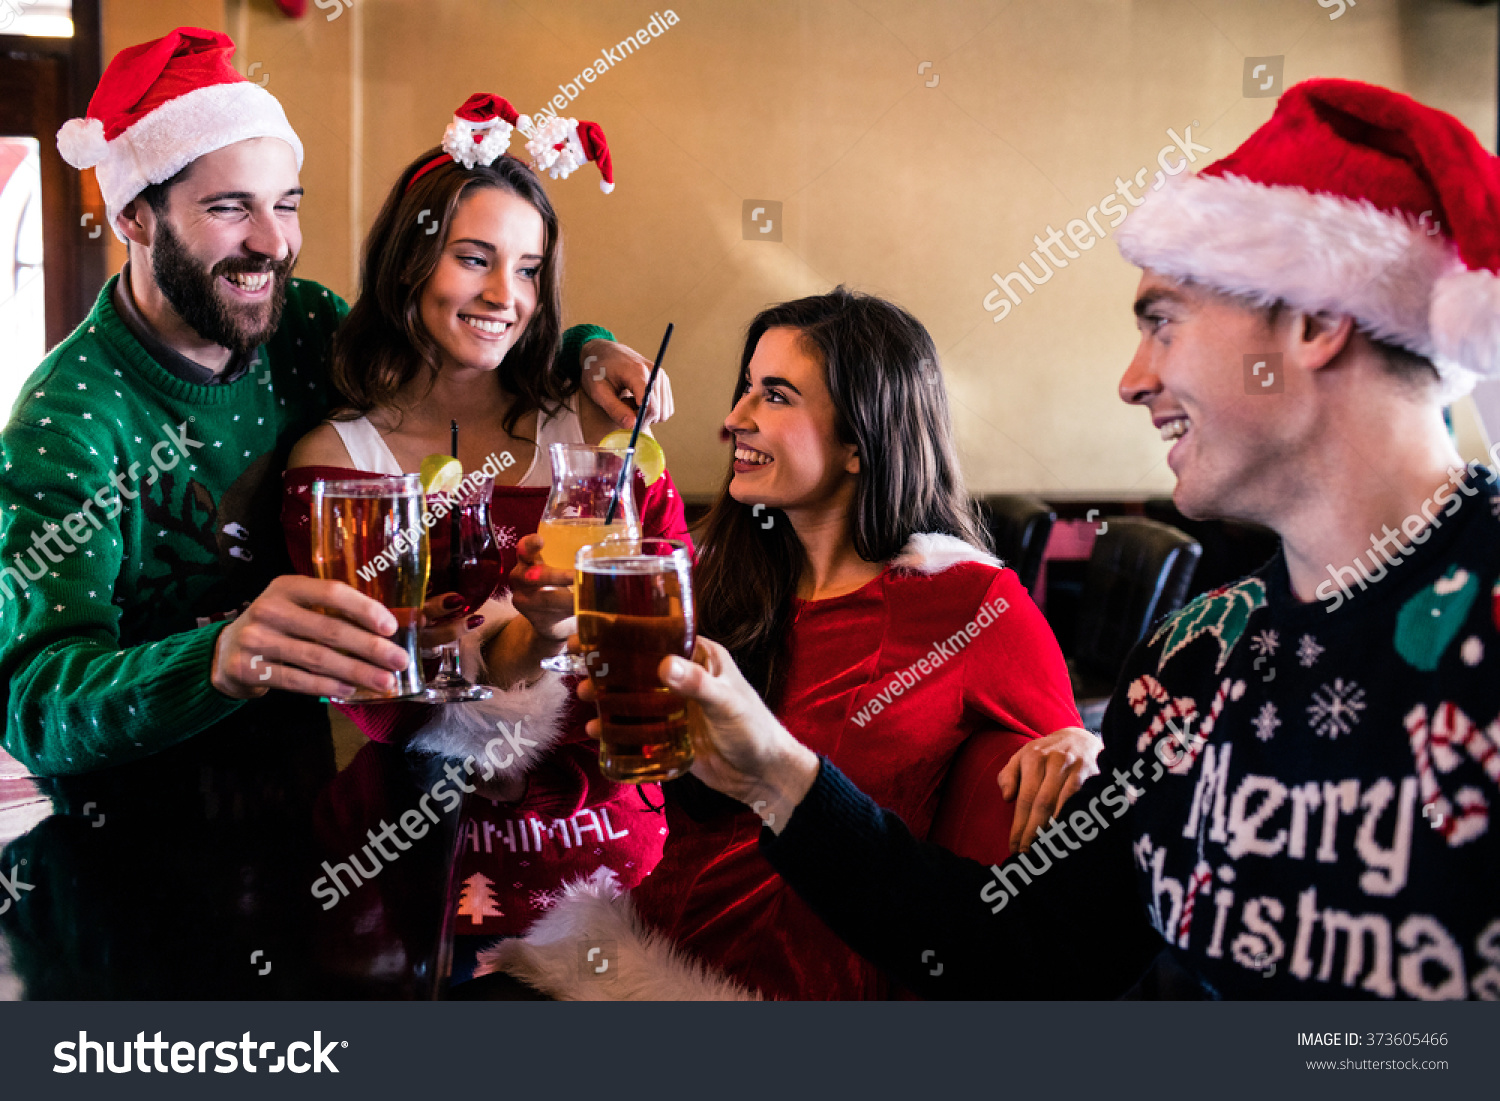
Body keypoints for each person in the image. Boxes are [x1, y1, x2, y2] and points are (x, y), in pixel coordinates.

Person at [610, 80, 1500, 1000]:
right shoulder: (1191, 659)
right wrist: (775, 773)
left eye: (1162, 322)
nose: (1132, 379)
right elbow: (1027, 951)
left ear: (1316, 321)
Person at [0, 30, 665, 776]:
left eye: (286, 205)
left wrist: (585, 350)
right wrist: (220, 657)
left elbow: (456, 349)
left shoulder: (305, 322)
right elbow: (32, 703)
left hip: (304, 797)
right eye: (230, 208)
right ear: (133, 216)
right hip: (131, 822)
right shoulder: (65, 423)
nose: (273, 243)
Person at [489, 289, 1101, 1000]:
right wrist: (547, 653)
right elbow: (625, 767)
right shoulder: (718, 579)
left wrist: (1082, 745)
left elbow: (1073, 783)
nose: (734, 418)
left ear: (858, 442)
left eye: (775, 396)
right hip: (638, 952)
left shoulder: (967, 601)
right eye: (746, 388)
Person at [281, 95, 690, 948]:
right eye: (475, 259)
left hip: (615, 867)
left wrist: (560, 761)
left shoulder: (602, 438)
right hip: (414, 873)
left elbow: (669, 650)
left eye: (530, 269)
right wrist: (532, 638)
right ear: (409, 263)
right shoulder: (338, 463)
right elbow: (381, 703)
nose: (506, 295)